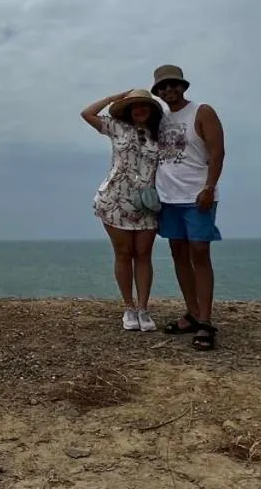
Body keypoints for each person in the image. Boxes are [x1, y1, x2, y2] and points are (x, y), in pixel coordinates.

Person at [151, 64, 225, 350]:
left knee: (199, 252)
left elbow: (217, 152)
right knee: (178, 253)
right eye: (163, 87)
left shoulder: (202, 112)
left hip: (197, 196)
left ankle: (206, 320)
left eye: (173, 85)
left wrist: (209, 187)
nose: (169, 90)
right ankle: (192, 313)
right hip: (168, 197)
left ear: (183, 87)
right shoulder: (160, 119)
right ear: (158, 92)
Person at [81, 88, 164, 332]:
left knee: (143, 254)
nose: (139, 109)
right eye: (134, 105)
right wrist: (114, 98)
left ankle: (144, 308)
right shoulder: (116, 127)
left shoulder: (159, 135)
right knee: (123, 253)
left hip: (147, 202)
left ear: (151, 111)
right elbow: (87, 113)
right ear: (128, 109)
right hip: (115, 199)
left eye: (144, 106)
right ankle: (129, 307)